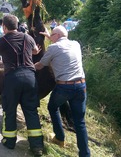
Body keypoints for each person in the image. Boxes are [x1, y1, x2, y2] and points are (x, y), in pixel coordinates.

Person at [0, 14, 44, 156]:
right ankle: (37, 146)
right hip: (30, 77)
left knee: (10, 110)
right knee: (31, 111)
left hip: (13, 78)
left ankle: (9, 142)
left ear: (4, 27)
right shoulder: (27, 38)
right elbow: (35, 50)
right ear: (17, 25)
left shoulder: (3, 40)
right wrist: (33, 51)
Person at [34, 25, 90, 157]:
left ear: (57, 36)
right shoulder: (76, 44)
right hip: (81, 86)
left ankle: (59, 138)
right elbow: (61, 43)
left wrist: (26, 65)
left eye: (52, 35)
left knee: (52, 107)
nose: (51, 37)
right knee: (80, 122)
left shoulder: (53, 48)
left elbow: (41, 65)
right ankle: (85, 154)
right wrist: (50, 36)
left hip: (65, 87)